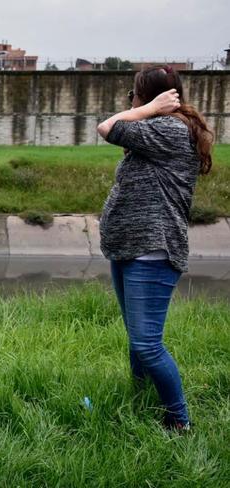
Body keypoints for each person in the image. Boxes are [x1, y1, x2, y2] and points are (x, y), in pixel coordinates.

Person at [96, 66, 214, 432]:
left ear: (147, 97)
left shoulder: (169, 130)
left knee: (148, 344)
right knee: (138, 339)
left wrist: (150, 109)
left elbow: (108, 127)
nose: (129, 101)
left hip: (153, 251)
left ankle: (180, 422)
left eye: (133, 94)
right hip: (131, 249)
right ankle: (142, 402)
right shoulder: (159, 130)